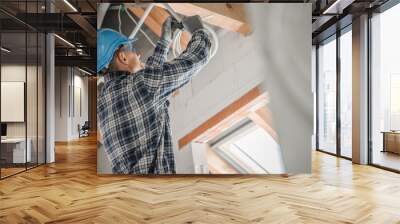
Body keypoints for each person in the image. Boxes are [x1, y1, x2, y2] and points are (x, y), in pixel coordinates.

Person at [97, 15, 211, 174]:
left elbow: (148, 86)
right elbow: (197, 57)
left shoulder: (102, 104)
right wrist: (199, 31)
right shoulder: (142, 86)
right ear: (122, 57)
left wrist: (164, 43)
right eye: (134, 51)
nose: (138, 56)